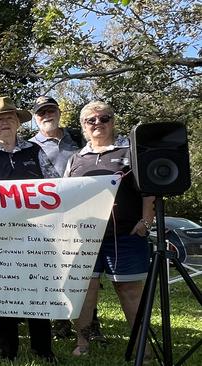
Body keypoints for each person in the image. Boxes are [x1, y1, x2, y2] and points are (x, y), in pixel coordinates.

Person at [0, 96, 56, 362]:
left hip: (36, 235)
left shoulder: (35, 151)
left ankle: (43, 348)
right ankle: (8, 350)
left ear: (18, 123)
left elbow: (56, 186)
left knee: (38, 291)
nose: (4, 123)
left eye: (9, 118)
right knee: (2, 291)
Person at [65, 101, 154, 357]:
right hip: (84, 238)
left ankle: (142, 348)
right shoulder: (75, 159)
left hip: (126, 235)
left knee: (129, 291)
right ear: (83, 126)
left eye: (104, 118)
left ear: (113, 122)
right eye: (91, 120)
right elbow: (65, 196)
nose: (98, 124)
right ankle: (82, 344)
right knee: (85, 292)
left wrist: (145, 221)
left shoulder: (130, 152)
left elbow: (149, 191)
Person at [29, 95, 104, 340]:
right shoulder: (29, 146)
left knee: (86, 272)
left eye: (51, 110)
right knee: (55, 272)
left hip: (83, 214)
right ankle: (59, 321)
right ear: (35, 118)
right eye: (41, 113)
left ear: (59, 112)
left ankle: (91, 324)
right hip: (49, 218)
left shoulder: (79, 138)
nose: (47, 115)